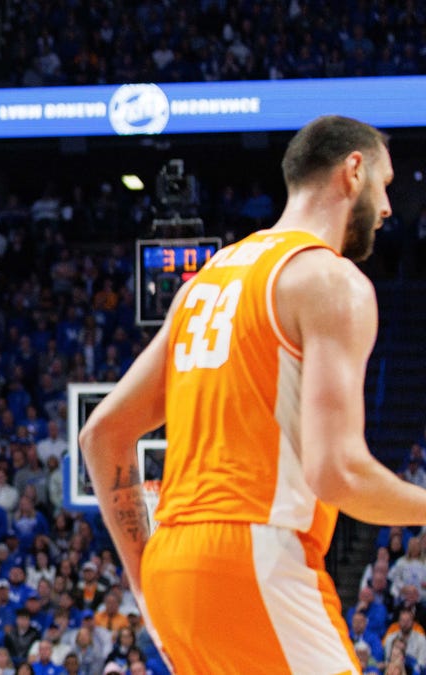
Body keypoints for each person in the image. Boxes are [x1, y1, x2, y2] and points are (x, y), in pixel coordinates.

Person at [81, 114, 426, 673]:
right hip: (255, 554)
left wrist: (143, 579)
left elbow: (101, 434)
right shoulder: (329, 281)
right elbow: (338, 473)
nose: (388, 207)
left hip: (170, 566)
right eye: (385, 185)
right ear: (353, 171)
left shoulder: (204, 282)